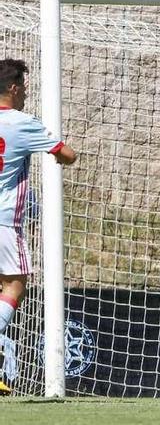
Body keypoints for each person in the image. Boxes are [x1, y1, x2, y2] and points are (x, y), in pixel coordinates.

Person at [0, 59, 77, 393]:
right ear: (14, 88)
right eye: (25, 87)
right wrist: (60, 154)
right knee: (16, 284)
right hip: (3, 221)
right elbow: (68, 154)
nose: (27, 93)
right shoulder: (21, 122)